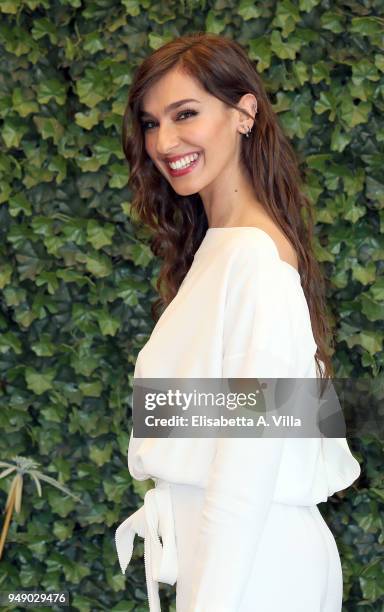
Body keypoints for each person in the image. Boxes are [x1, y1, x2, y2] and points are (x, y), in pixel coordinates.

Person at [114, 32, 361, 612]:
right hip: (232, 557)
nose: (164, 141)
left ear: (244, 112)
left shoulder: (253, 259)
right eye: (151, 123)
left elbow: (246, 466)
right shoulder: (222, 248)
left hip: (256, 564)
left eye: (186, 114)